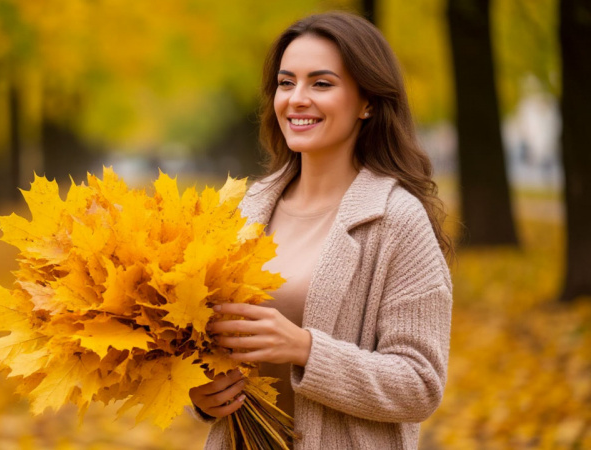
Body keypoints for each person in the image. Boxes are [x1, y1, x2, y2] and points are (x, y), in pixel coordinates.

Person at [188, 11, 454, 449]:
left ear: (367, 102)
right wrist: (202, 395)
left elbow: (420, 384)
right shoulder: (241, 210)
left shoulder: (397, 221)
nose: (296, 99)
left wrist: (305, 348)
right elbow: (201, 345)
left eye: (322, 83)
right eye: (286, 82)